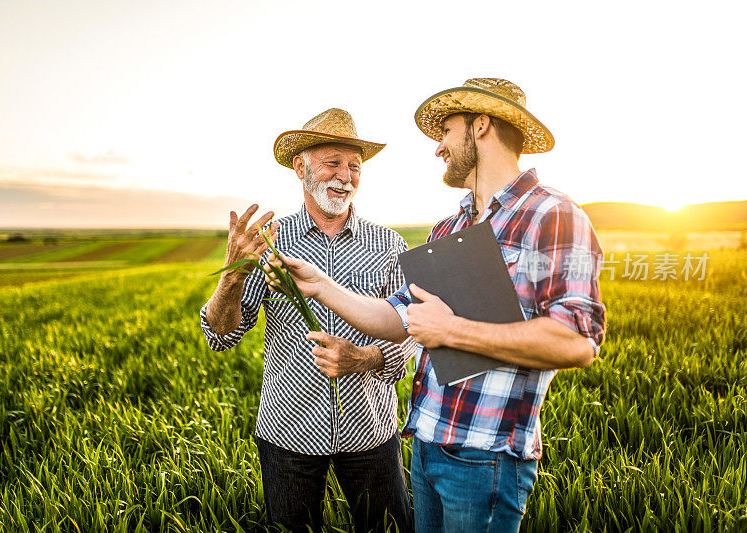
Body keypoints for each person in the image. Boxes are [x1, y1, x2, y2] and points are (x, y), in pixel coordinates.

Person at [266, 79, 607, 532]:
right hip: (426, 447)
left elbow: (577, 342)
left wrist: (451, 331)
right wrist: (321, 285)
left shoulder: (552, 215)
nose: (438, 147)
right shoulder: (449, 228)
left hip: (486, 457)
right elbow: (398, 317)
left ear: (480, 125)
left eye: (446, 130)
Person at [199, 108, 415, 532]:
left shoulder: (389, 244)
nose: (346, 175)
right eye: (333, 162)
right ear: (301, 167)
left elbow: (410, 329)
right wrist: (233, 270)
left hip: (370, 432)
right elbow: (220, 334)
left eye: (355, 166)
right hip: (289, 435)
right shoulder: (270, 242)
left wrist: (365, 357)